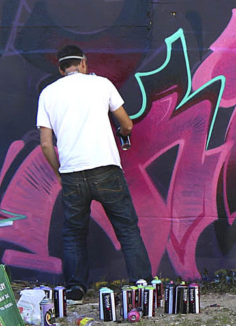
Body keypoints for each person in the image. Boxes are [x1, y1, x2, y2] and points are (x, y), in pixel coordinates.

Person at [37, 45, 152, 301]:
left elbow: (45, 144)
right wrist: (123, 133)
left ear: (61, 69)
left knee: (74, 234)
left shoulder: (48, 94)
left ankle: (75, 288)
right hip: (106, 168)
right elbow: (127, 123)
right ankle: (141, 283)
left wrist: (60, 173)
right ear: (83, 63)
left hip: (72, 173)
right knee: (127, 228)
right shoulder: (102, 84)